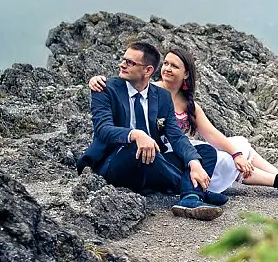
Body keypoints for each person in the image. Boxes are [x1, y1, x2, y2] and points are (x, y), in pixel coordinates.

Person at [87, 47, 278, 198]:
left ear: (186, 74)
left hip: (178, 148)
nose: (166, 69)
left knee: (238, 145)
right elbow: (124, 87)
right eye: (165, 64)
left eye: (174, 66)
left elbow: (211, 133)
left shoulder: (188, 104)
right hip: (157, 151)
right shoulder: (150, 89)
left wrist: (236, 154)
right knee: (225, 156)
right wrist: (97, 80)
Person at [76, 41, 226, 221]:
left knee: (205, 152)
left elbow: (176, 135)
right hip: (116, 160)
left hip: (153, 162)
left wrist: (194, 163)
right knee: (138, 150)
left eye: (130, 62)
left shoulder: (162, 96)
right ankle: (193, 192)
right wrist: (136, 135)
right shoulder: (105, 89)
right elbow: (103, 129)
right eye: (123, 60)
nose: (122, 65)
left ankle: (190, 196)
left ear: (148, 70)